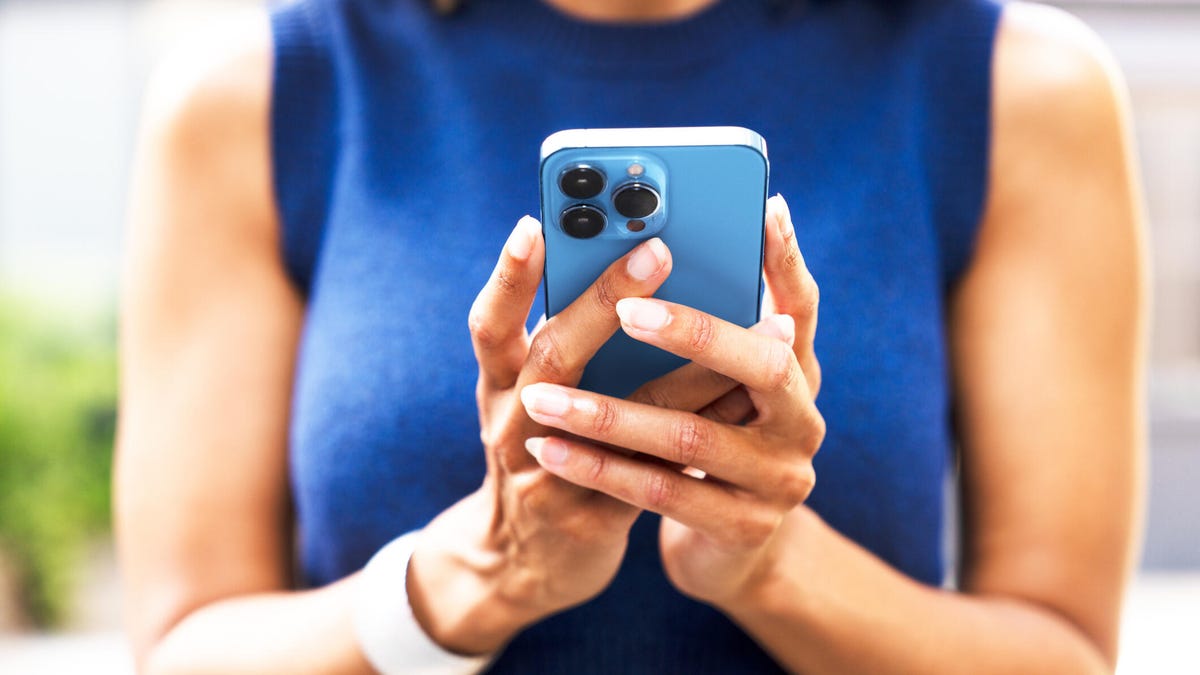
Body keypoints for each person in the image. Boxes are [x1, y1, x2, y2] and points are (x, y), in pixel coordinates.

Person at [115, 0, 1146, 672]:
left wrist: (774, 566)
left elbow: (1060, 652)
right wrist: (479, 572)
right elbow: (182, 652)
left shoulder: (1016, 85)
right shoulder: (262, 92)